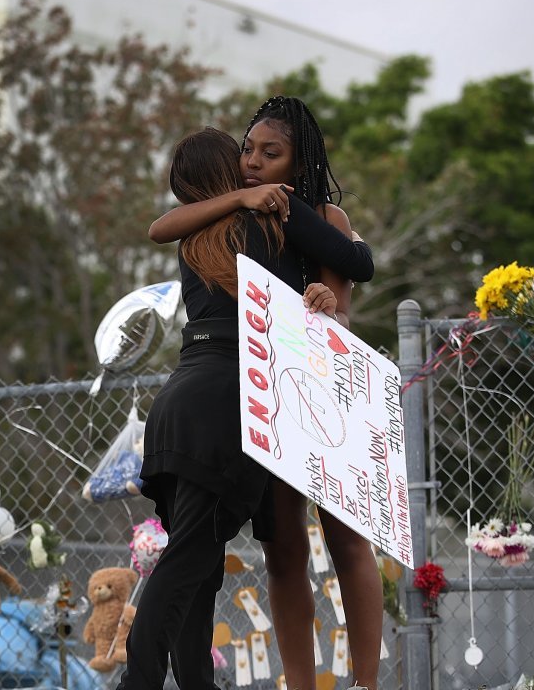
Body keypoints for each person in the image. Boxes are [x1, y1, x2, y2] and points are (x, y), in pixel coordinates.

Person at [120, 126, 373, 690]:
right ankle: (136, 680)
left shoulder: (195, 237)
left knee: (201, 569)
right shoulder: (264, 223)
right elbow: (354, 261)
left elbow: (158, 227)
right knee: (189, 560)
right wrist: (329, 287)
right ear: (227, 173)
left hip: (177, 403)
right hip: (225, 404)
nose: (252, 165)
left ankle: (195, 684)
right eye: (243, 156)